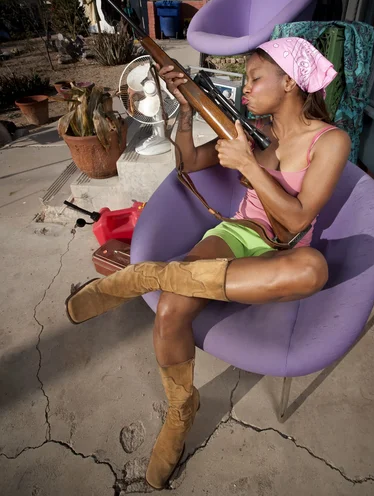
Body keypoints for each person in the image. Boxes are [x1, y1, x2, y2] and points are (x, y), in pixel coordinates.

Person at [66, 37, 351, 489]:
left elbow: (297, 217)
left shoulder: (331, 140)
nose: (247, 88)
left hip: (283, 253)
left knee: (313, 269)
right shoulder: (260, 134)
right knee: (170, 307)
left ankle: (146, 275)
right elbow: (189, 164)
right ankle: (180, 414)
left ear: (291, 82)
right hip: (237, 236)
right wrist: (186, 111)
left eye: (256, 78)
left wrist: (250, 166)